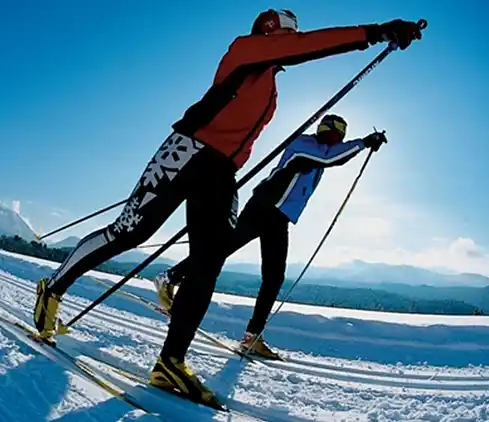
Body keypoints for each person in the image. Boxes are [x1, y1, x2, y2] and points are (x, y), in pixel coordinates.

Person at [33, 8, 423, 407]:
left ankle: (170, 361)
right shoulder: (246, 49)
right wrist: (375, 33)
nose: (294, 37)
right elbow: (305, 47)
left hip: (221, 172)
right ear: (273, 32)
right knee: (133, 231)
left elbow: (291, 59)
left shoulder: (270, 83)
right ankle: (54, 287)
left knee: (210, 257)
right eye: (289, 33)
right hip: (188, 150)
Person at [152, 114, 388, 360]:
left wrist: (361, 144)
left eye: (338, 136)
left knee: (273, 276)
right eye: (331, 134)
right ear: (322, 131)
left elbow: (333, 155)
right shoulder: (305, 145)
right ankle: (170, 277)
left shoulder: (321, 151)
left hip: (278, 216)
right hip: (264, 208)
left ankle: (252, 336)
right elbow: (330, 158)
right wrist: (363, 143)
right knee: (223, 249)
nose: (334, 139)